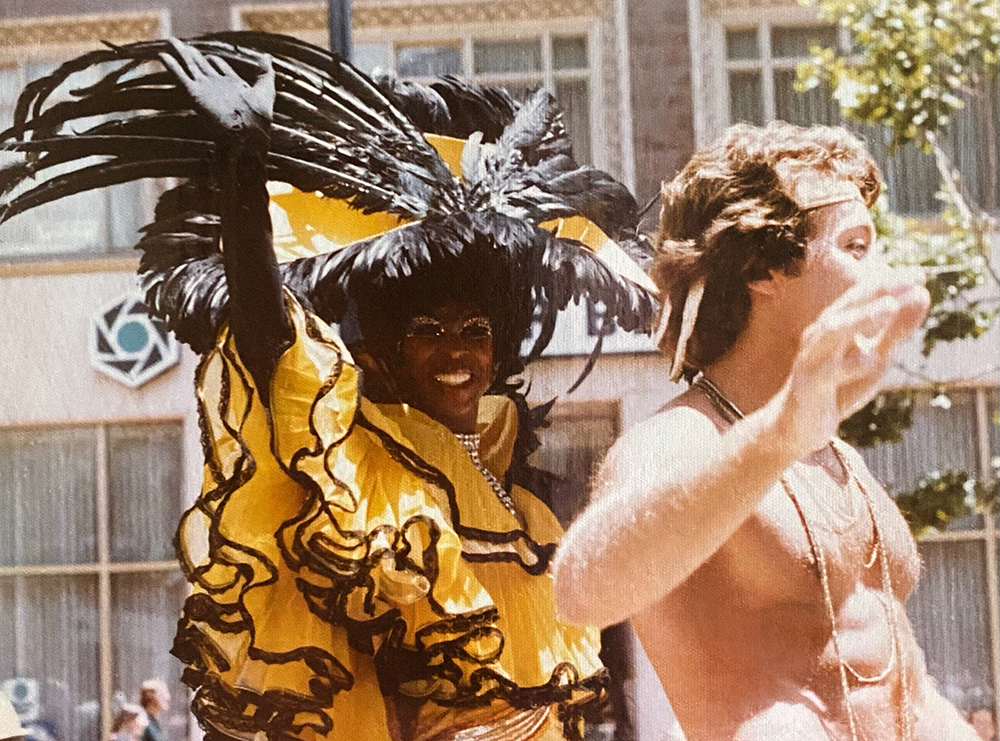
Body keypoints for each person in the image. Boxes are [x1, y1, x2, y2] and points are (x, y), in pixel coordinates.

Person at [0, 32, 655, 741]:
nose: (456, 351)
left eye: (474, 330)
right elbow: (270, 338)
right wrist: (244, 177)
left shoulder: (522, 499)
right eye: (428, 330)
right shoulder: (362, 470)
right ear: (386, 352)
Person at [553, 121, 979, 740]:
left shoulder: (832, 450)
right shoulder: (681, 438)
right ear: (765, 270)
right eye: (856, 247)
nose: (878, 272)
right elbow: (580, 592)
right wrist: (780, 433)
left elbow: (886, 668)